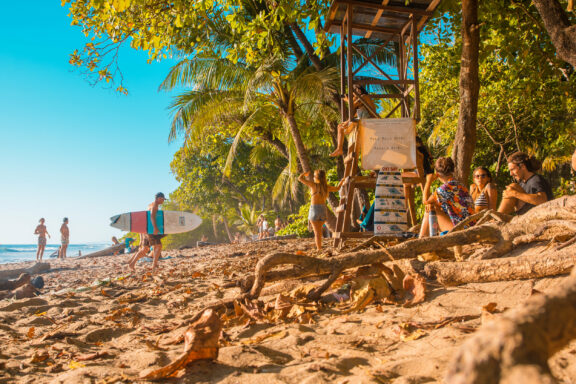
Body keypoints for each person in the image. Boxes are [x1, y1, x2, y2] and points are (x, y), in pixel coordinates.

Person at [419, 157, 475, 238]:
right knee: (433, 206)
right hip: (470, 227)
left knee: (430, 208)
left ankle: (422, 240)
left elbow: (425, 201)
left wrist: (428, 182)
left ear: (437, 174)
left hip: (461, 230)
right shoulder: (461, 185)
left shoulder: (443, 189)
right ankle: (423, 239)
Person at [298, 170, 344, 250]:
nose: (313, 177)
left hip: (314, 209)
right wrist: (342, 181)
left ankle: (319, 249)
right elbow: (337, 188)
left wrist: (304, 174)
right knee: (319, 232)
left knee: (317, 233)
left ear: (317, 177)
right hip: (323, 209)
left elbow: (300, 178)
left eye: (314, 176)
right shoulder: (326, 187)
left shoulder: (313, 185)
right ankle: (319, 247)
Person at [330, 85, 377, 157]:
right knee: (340, 127)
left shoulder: (364, 97)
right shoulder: (356, 100)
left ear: (359, 90)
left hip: (370, 120)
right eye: (353, 92)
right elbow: (353, 115)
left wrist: (347, 100)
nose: (354, 94)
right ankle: (339, 149)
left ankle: (340, 149)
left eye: (354, 91)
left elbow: (353, 105)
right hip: (361, 120)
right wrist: (346, 122)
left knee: (346, 125)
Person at [127, 192, 166, 274]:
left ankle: (132, 264)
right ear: (159, 198)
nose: (163, 201)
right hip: (151, 230)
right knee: (158, 246)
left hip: (147, 230)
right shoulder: (154, 205)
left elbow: (146, 218)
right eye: (162, 199)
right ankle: (154, 266)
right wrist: (155, 228)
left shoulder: (150, 205)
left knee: (145, 249)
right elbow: (152, 216)